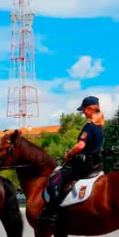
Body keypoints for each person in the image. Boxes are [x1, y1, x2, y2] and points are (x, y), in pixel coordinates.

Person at [38, 96, 105, 225]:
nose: (83, 113)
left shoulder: (89, 127)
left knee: (55, 181)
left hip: (83, 165)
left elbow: (80, 145)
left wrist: (69, 154)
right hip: (95, 164)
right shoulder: (100, 126)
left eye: (84, 110)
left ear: (90, 109)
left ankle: (53, 214)